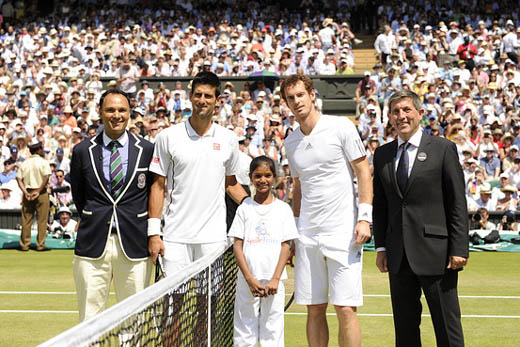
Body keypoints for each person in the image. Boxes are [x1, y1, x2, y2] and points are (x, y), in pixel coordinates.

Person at [282, 74, 373, 347]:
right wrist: (295, 232)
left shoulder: (340, 127)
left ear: (312, 95)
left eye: (300, 95)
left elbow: (363, 171)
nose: (297, 101)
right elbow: (298, 188)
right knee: (314, 309)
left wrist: (364, 218)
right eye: (291, 98)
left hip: (343, 233)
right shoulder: (290, 142)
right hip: (308, 235)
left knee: (345, 309)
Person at [373, 90, 469, 347]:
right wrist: (381, 246)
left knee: (447, 327)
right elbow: (381, 205)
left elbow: (457, 202)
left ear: (419, 114)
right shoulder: (382, 154)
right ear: (390, 117)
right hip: (398, 254)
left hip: (438, 254)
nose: (401, 116)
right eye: (395, 111)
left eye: (406, 110)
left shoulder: (443, 149)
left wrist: (459, 248)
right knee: (404, 329)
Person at [147, 71, 248, 270]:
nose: (202, 100)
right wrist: (153, 233)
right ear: (191, 97)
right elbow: (158, 186)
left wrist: (256, 207)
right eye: (198, 95)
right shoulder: (168, 137)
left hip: (214, 238)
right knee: (173, 300)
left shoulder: (228, 139)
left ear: (217, 100)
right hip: (175, 236)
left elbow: (231, 184)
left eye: (208, 96)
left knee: (209, 300)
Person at [70, 89, 154, 322]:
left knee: (135, 319)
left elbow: (152, 193)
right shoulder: (82, 151)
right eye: (110, 110)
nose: (116, 115)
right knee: (89, 316)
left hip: (135, 243)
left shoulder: (147, 150)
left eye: (121, 110)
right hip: (93, 243)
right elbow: (80, 195)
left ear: (130, 113)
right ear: (100, 112)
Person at [230, 156, 299, 347]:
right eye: (257, 176)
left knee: (273, 330)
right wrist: (249, 278)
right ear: (251, 178)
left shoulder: (283, 209)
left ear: (275, 178)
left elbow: (287, 245)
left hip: (274, 282)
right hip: (247, 280)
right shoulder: (245, 208)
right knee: (245, 330)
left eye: (267, 175)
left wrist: (275, 278)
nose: (263, 180)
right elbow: (237, 245)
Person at [16, 139, 51, 251]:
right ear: (39, 150)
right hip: (41, 193)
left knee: (26, 219)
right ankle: (40, 244)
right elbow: (46, 177)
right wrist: (39, 191)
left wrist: (25, 192)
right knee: (42, 220)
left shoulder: (25, 163)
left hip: (28, 192)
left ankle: (25, 244)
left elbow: (19, 178)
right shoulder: (44, 162)